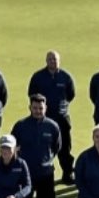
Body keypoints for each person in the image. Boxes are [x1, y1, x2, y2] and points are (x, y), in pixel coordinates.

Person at [11, 94, 64, 198]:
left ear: (45, 108)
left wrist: (47, 160)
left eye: (41, 108)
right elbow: (12, 147)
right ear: (30, 108)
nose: (38, 111)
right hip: (25, 174)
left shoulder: (53, 126)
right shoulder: (20, 126)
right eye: (35, 108)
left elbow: (56, 147)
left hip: (46, 173)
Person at [28, 50, 78, 183]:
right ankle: (37, 174)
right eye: (50, 59)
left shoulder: (66, 77)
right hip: (43, 118)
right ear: (46, 61)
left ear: (59, 61)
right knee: (41, 146)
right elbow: (32, 95)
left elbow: (71, 94)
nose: (52, 61)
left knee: (65, 146)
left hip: (61, 117)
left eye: (55, 59)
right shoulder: (38, 76)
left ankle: (68, 173)